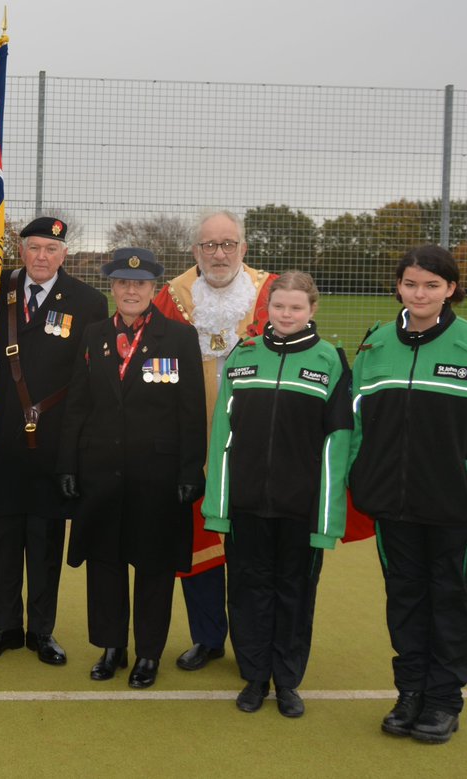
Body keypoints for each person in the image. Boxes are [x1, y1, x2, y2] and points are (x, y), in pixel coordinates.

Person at [349, 245, 467, 744]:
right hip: (394, 506)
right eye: (411, 283)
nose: (419, 293)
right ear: (398, 286)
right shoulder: (377, 344)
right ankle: (410, 694)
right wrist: (363, 477)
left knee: (447, 599)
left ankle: (444, 700)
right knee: (404, 598)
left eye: (431, 285)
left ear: (450, 289)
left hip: (455, 509)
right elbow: (356, 420)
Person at [202, 271, 352, 717]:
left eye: (296, 307)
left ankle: (286, 681)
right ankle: (254, 677)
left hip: (300, 510)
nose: (286, 315)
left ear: (312, 310)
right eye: (279, 306)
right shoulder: (243, 356)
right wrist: (219, 507)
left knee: (295, 595)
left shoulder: (330, 361)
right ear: (266, 308)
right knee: (247, 592)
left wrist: (327, 519)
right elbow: (222, 436)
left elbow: (338, 444)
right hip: (247, 506)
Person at [57, 248, 206, 688]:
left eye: (139, 284)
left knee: (153, 566)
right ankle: (112, 647)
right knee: (106, 561)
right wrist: (68, 463)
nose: (131, 290)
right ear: (113, 287)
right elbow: (77, 405)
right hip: (101, 471)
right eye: (123, 282)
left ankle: (148, 653)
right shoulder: (94, 335)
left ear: (153, 288)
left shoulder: (179, 337)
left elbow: (191, 411)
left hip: (157, 476)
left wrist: (189, 470)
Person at [0, 216, 108, 666]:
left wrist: (78, 450)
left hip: (54, 440)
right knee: (1, 539)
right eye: (34, 247)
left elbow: (88, 381)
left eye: (51, 249)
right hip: (1, 437)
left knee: (45, 541)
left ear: (64, 254)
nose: (42, 257)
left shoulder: (88, 302)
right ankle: (3, 627)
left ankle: (41, 631)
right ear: (21, 250)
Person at [152, 209, 276, 672]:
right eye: (209, 245)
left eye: (227, 244)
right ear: (195, 251)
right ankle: (207, 638)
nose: (218, 254)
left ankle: (254, 642)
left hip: (256, 445)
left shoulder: (272, 293)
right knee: (198, 541)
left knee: (253, 549)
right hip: (192, 444)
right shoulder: (172, 297)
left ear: (244, 248)